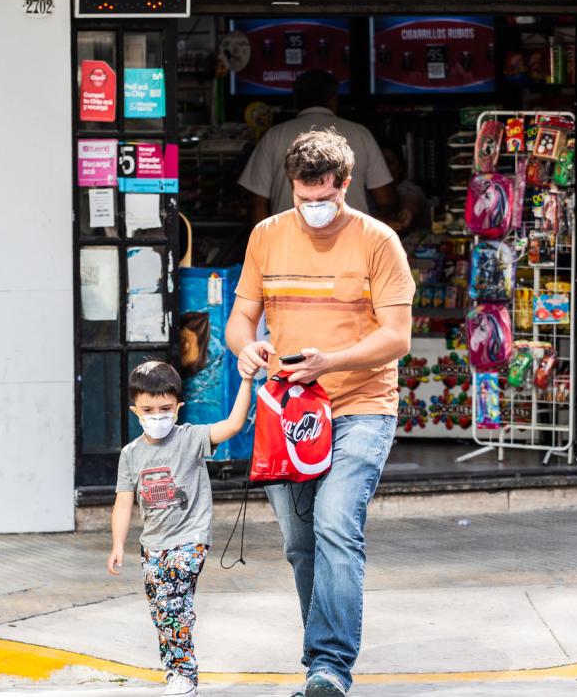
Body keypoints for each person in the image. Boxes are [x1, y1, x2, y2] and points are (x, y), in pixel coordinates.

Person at [225, 129, 416, 697]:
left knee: (335, 524)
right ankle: (320, 662)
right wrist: (246, 348)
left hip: (361, 406)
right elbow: (241, 319)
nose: (313, 207)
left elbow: (398, 337)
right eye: (303, 197)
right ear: (290, 185)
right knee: (299, 542)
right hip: (289, 412)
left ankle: (330, 665)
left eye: (324, 197)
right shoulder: (266, 235)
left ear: (345, 185)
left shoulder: (378, 241)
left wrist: (330, 362)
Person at [108, 360, 254, 697]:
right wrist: (117, 545)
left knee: (172, 602)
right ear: (135, 411)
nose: (157, 416)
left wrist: (246, 380)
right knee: (162, 610)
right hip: (152, 545)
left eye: (165, 409)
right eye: (148, 410)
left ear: (178, 407)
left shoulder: (191, 438)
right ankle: (175, 671)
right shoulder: (131, 454)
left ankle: (185, 676)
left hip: (190, 538)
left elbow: (233, 425)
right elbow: (123, 502)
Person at [239, 70, 395, 222]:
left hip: (289, 237)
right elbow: (385, 200)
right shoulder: (361, 134)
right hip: (351, 236)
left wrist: (266, 238)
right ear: (333, 98)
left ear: (296, 99)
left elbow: (257, 203)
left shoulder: (274, 136)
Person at [379, 141, 431, 235]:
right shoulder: (368, 193)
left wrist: (407, 211)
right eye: (380, 163)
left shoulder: (408, 188)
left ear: (400, 167)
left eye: (389, 162)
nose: (384, 167)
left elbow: (411, 199)